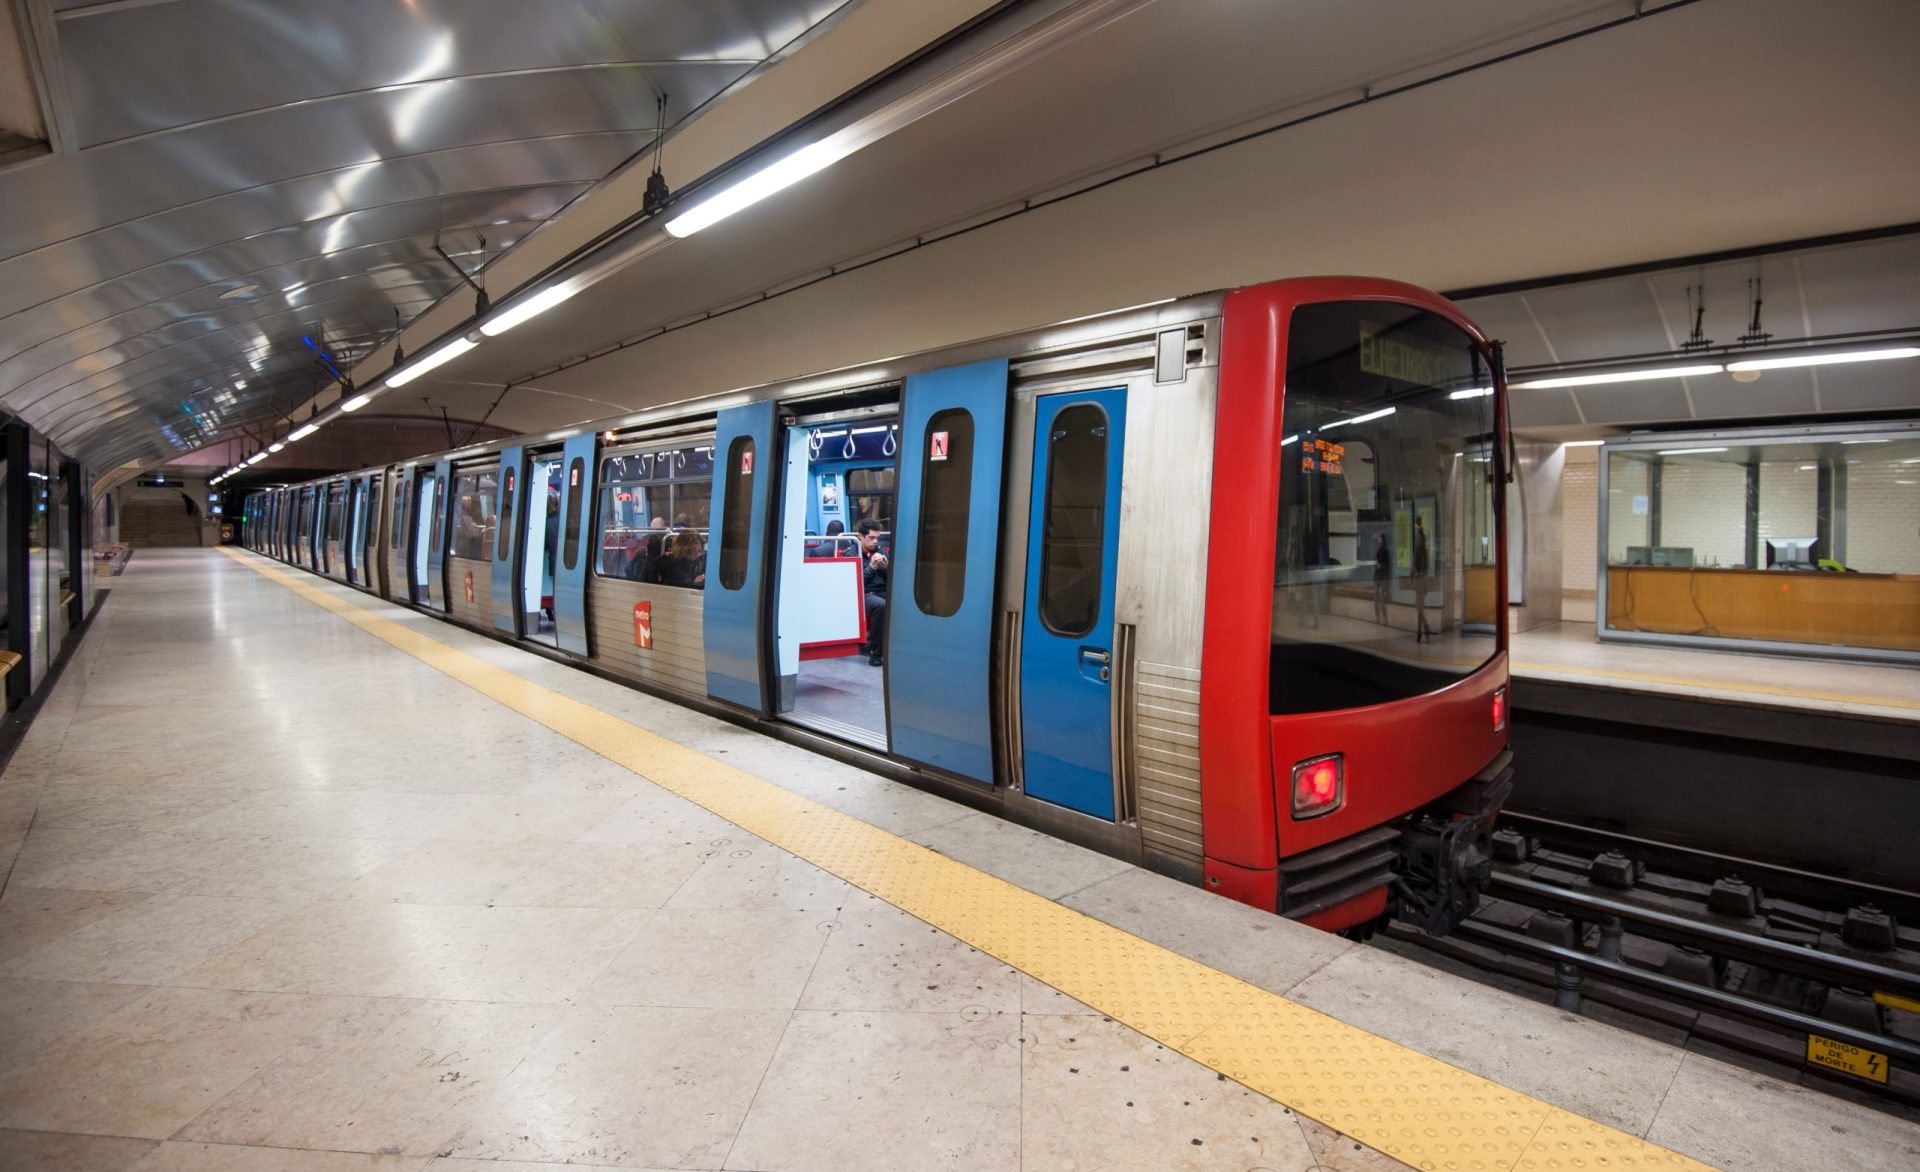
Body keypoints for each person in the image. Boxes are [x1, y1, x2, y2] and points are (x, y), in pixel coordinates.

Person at [857, 518, 889, 666]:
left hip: (882, 591)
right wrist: (871, 568)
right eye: (871, 538)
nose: (875, 541)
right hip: (864, 594)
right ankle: (875, 653)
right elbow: (855, 584)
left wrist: (884, 568)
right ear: (860, 537)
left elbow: (890, 579)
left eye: (877, 538)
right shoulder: (851, 554)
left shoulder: (881, 552)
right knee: (881, 606)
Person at [1412, 514, 1433, 643]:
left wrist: (1414, 572)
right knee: (1419, 607)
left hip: (1420, 579)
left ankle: (1423, 630)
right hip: (1422, 578)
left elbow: (1416, 562)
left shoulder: (1419, 542)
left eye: (1415, 528)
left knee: (1418, 607)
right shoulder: (1423, 542)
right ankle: (1422, 631)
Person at [1371, 531, 1391, 626]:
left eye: (1379, 538)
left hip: (1382, 578)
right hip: (1377, 577)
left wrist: (1380, 565)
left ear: (1382, 540)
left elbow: (1387, 566)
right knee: (1376, 598)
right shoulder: (1378, 550)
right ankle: (1378, 618)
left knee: (1381, 598)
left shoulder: (1385, 551)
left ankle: (1384, 619)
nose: (1378, 540)